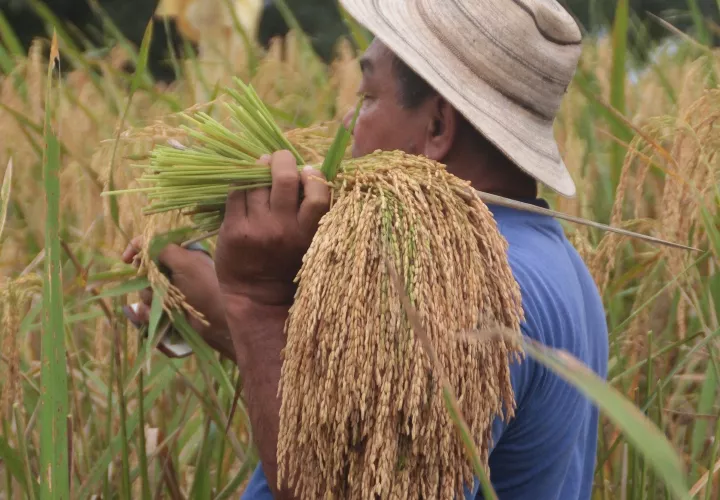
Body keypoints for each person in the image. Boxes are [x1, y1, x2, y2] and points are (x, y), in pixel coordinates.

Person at [123, 1, 609, 498]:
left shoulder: (467, 287)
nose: (345, 122)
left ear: (438, 125)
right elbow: (360, 427)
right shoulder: (551, 262)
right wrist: (234, 323)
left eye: (368, 96)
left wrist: (255, 301)